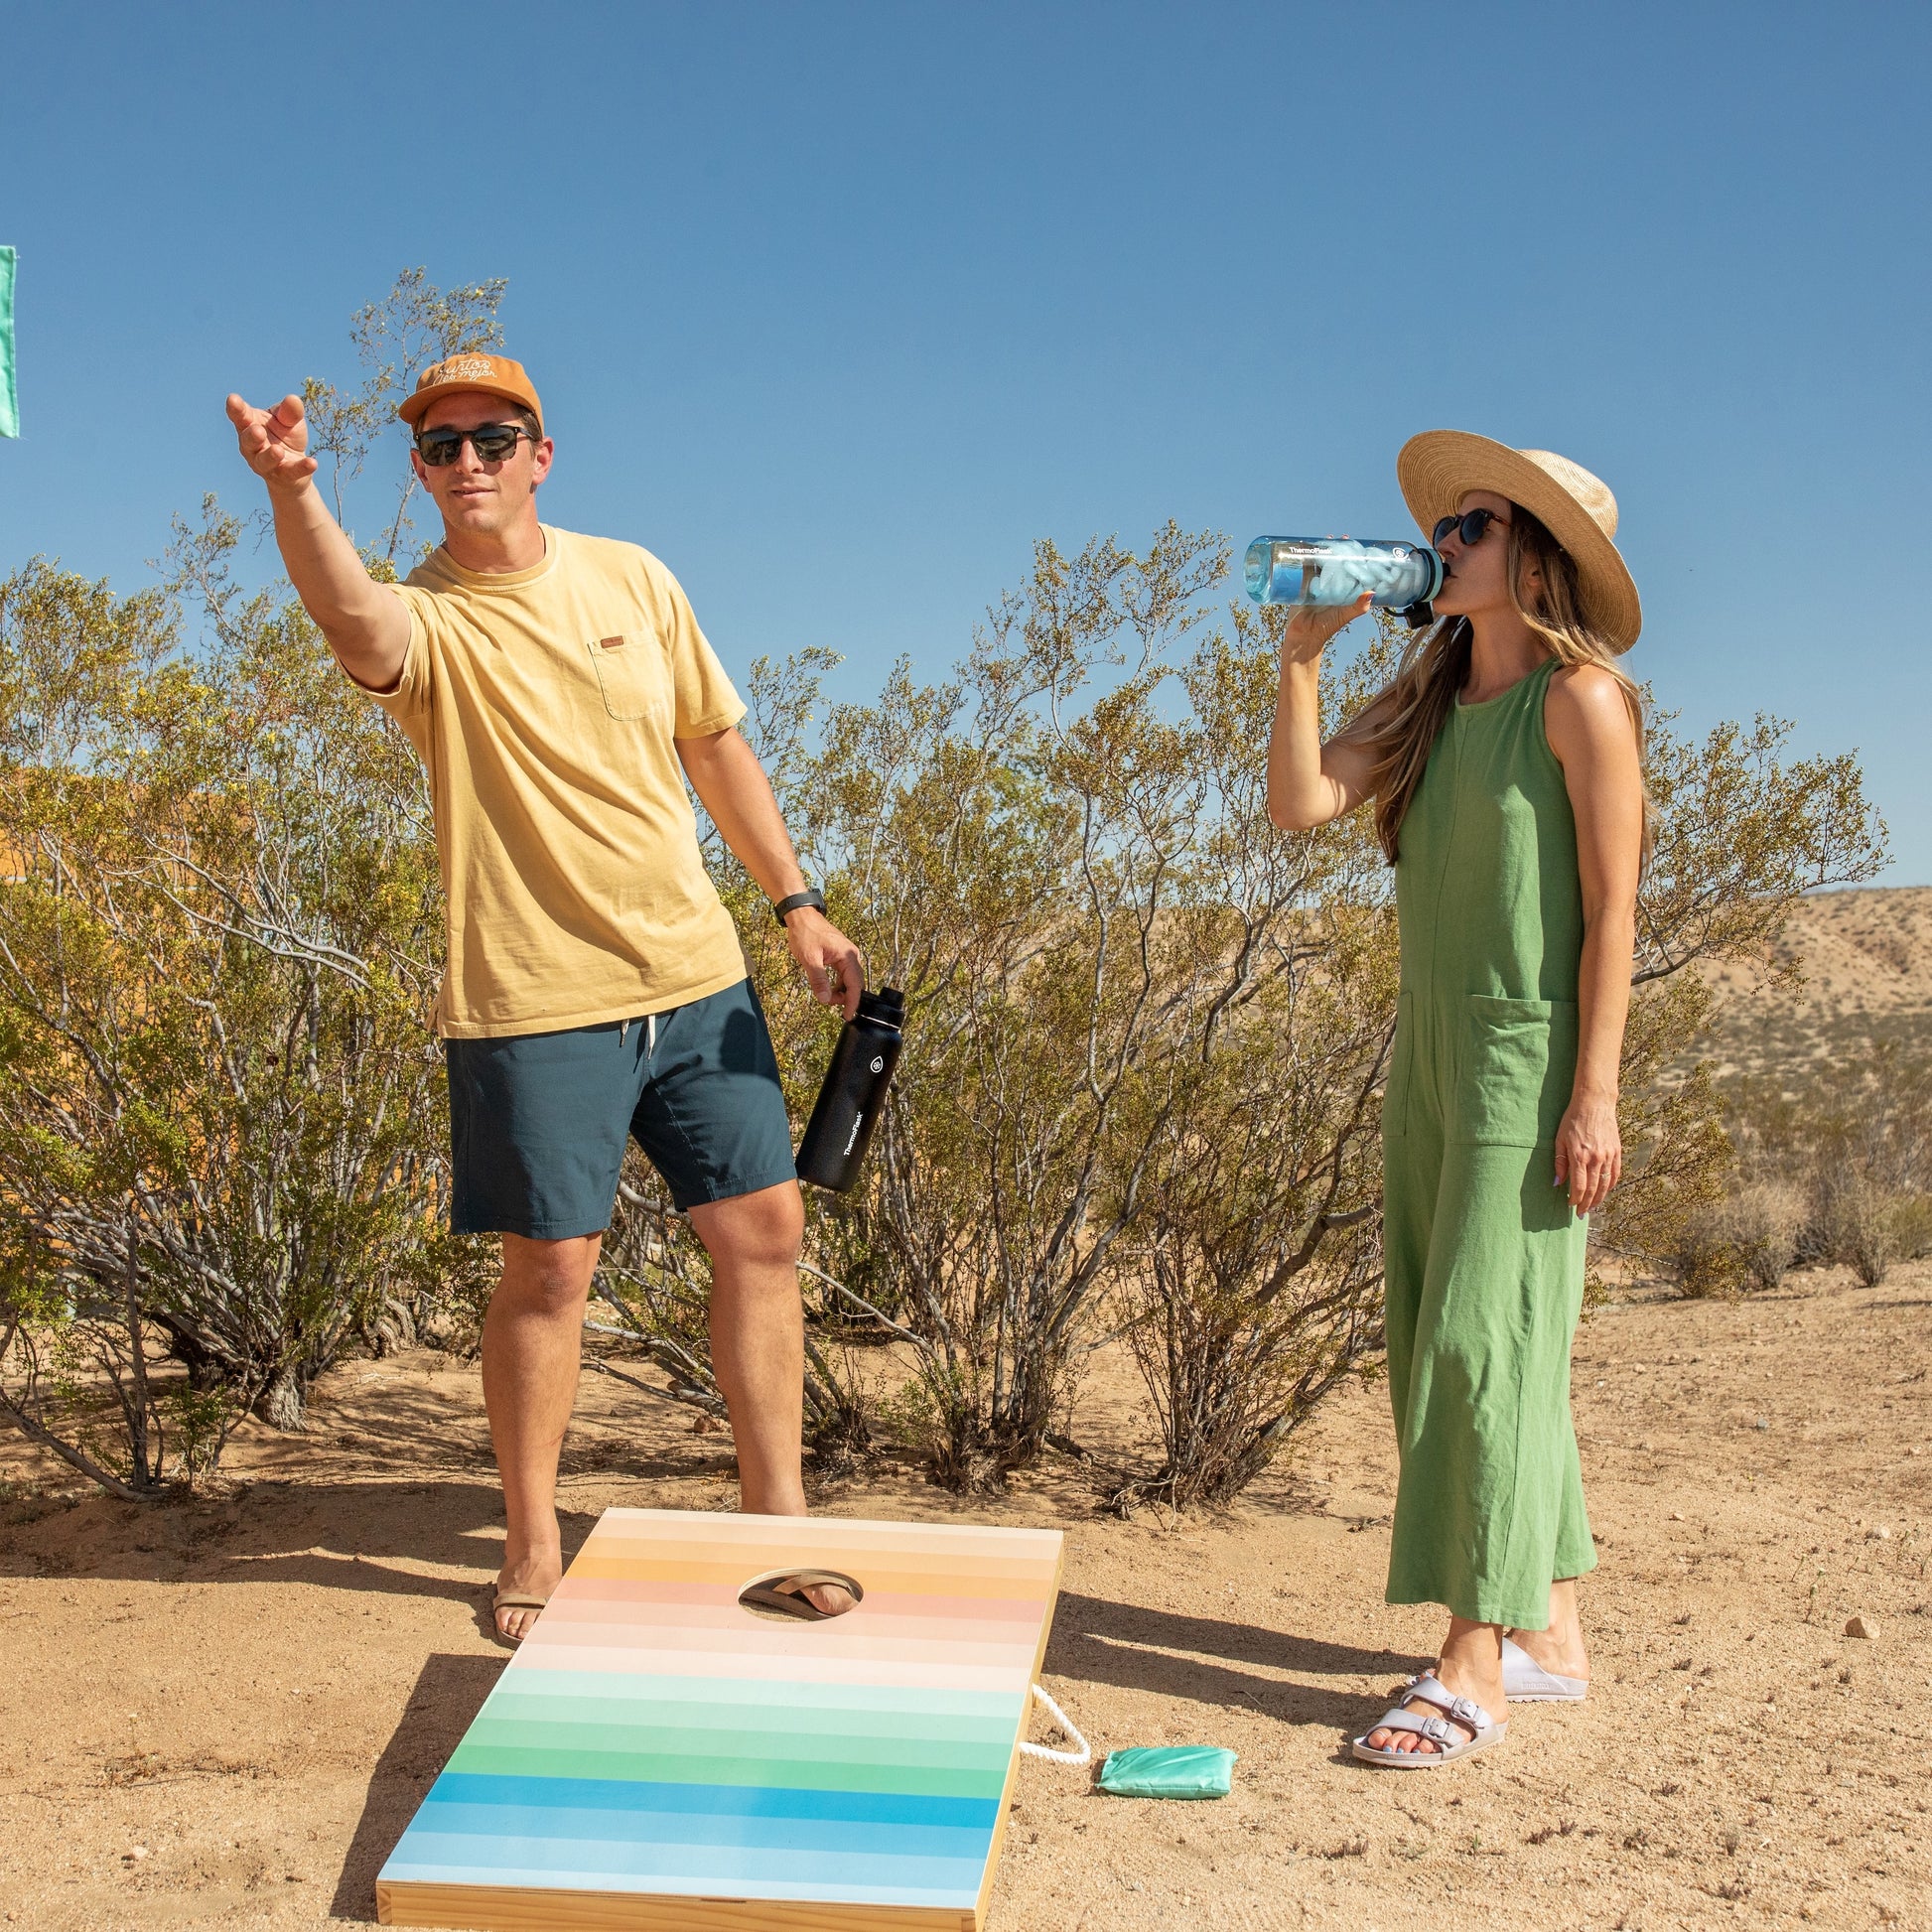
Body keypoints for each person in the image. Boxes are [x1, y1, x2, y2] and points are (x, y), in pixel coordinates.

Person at [225, 353, 863, 1641]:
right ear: (418, 472)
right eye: (443, 446)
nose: (470, 462)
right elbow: (351, 622)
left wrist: (795, 903)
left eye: (493, 438)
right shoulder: (430, 620)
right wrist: (294, 489)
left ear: (540, 451)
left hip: (695, 979)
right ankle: (531, 1539)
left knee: (765, 1239)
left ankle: (780, 1525)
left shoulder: (634, 577)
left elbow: (715, 745)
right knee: (549, 1274)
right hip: (530, 995)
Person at [1267, 434, 1647, 1766]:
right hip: (1426, 1053)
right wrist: (1302, 661)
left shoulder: (1578, 701)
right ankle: (1550, 1633)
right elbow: (1301, 803)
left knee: (1478, 1346)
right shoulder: (1428, 697)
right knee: (1451, 1331)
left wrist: (1592, 1092)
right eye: (1445, 524)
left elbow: (1612, 913)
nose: (1445, 540)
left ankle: (1470, 1658)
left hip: (1524, 1056)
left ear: (1534, 555)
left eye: (1471, 523)